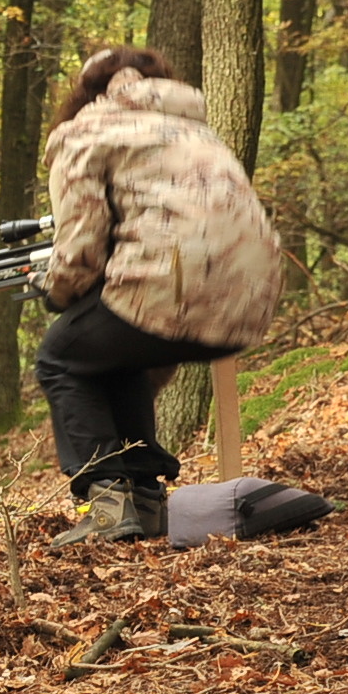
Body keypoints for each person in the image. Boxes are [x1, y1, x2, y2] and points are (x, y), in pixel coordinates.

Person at [34, 47, 282, 546]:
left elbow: (80, 240)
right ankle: (146, 498)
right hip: (252, 299)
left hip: (171, 284)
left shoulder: (86, 132)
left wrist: (56, 291)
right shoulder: (194, 130)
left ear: (87, 93)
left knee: (60, 359)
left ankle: (107, 504)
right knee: (115, 357)